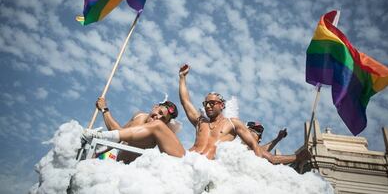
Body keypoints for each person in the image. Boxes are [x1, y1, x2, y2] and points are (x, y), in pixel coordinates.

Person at [178, 64, 310, 164]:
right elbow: (185, 101)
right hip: (188, 161)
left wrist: (296, 157)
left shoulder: (232, 123)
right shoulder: (201, 121)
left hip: (208, 167)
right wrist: (182, 78)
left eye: (212, 103)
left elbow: (257, 148)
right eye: (205, 103)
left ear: (222, 105)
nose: (207, 106)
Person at [82, 98, 185, 163]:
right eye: (159, 112)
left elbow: (116, 133)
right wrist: (98, 153)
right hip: (115, 163)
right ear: (155, 107)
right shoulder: (140, 116)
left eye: (163, 119)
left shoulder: (157, 130)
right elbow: (118, 134)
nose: (158, 117)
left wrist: (104, 109)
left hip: (129, 172)